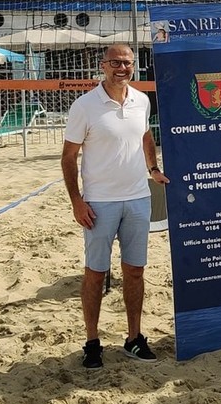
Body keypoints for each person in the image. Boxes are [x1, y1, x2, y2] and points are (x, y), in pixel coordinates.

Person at [61, 44, 170, 369]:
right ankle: (92, 342)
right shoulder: (85, 106)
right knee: (95, 274)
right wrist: (77, 201)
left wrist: (153, 168)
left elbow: (145, 136)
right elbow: (68, 157)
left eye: (127, 63)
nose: (122, 68)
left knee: (135, 272)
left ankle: (134, 338)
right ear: (103, 65)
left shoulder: (141, 100)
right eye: (115, 63)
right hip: (99, 203)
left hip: (137, 199)